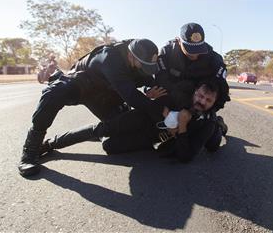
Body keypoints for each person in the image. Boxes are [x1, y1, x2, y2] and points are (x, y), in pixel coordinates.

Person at [19, 39, 165, 177]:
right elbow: (132, 97)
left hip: (108, 95)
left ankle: (55, 142)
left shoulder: (140, 57)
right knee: (54, 93)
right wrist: (164, 113)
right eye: (143, 65)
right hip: (83, 85)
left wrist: (148, 90)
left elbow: (150, 82)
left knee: (116, 131)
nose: (146, 69)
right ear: (130, 56)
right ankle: (31, 150)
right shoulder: (110, 58)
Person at [40, 79, 222, 163]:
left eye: (208, 100)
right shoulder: (178, 96)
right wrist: (165, 115)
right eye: (200, 95)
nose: (201, 101)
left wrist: (181, 127)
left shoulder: (207, 122)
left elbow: (186, 156)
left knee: (109, 147)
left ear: (214, 103)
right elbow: (153, 103)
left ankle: (222, 127)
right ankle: (51, 143)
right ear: (195, 92)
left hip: (151, 138)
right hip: (141, 118)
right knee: (101, 129)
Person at [156, 22, 230, 134]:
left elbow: (222, 93)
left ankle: (218, 124)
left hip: (199, 104)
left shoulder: (214, 59)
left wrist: (203, 112)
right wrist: (167, 108)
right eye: (189, 49)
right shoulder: (167, 53)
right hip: (174, 99)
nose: (195, 55)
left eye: (199, 49)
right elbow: (161, 83)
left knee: (212, 144)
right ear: (179, 41)